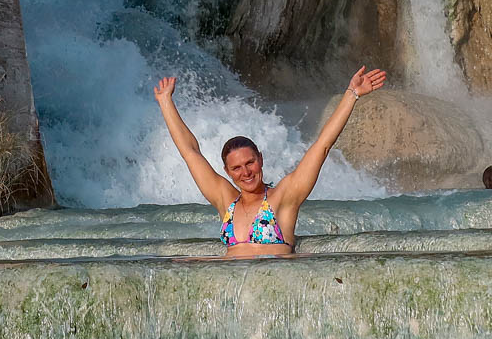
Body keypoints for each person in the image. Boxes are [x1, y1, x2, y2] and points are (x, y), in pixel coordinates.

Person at [155, 66, 387, 256]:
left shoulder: (284, 196)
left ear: (261, 160)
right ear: (227, 171)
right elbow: (190, 152)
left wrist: (352, 95)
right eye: (236, 168)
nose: (245, 172)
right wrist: (166, 102)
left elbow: (322, 146)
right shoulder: (226, 201)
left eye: (250, 163)